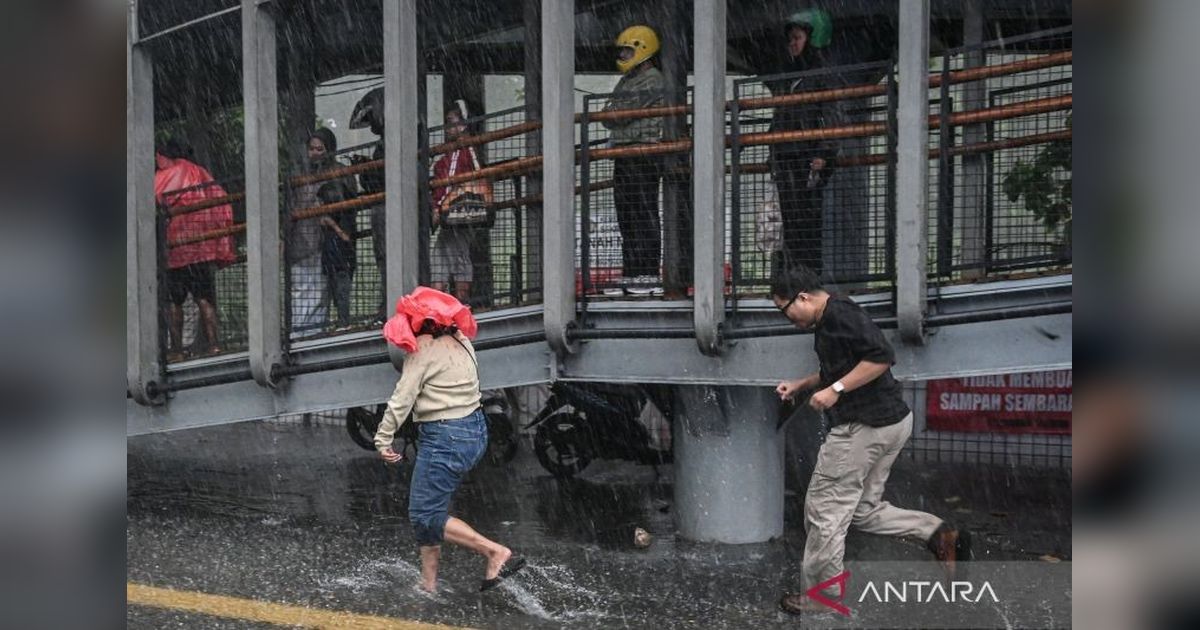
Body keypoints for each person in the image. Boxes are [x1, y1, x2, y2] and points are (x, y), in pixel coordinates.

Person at [770, 265, 968, 615]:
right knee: (862, 510)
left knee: (824, 510)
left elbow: (881, 357)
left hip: (862, 428)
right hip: (890, 422)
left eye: (784, 310)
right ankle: (938, 534)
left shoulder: (839, 316)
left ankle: (823, 596)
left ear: (802, 298)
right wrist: (803, 384)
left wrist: (836, 389)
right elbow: (843, 365)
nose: (786, 318)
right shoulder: (833, 316)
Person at [374, 286, 525, 593]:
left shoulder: (423, 349)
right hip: (474, 430)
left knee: (425, 514)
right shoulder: (461, 339)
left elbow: (401, 399)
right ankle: (428, 584)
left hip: (445, 436)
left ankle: (494, 552)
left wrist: (382, 439)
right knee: (430, 509)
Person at [764, 8, 845, 281]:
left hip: (806, 156)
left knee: (805, 218)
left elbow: (832, 114)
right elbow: (782, 116)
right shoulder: (794, 75)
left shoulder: (821, 75)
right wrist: (772, 149)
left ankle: (806, 275)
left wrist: (824, 152)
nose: (793, 44)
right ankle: (794, 274)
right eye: (791, 39)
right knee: (790, 218)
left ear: (813, 39)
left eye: (797, 38)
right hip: (788, 155)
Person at [155, 139, 237, 360]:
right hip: (201, 247)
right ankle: (214, 345)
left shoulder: (165, 175)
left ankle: (177, 350)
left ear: (162, 155)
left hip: (176, 248)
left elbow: (155, 201)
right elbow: (220, 199)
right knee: (204, 298)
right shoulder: (200, 172)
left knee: (175, 301)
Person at [602, 25, 666, 296]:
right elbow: (608, 114)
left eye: (627, 51)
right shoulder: (628, 80)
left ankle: (647, 273)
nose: (623, 56)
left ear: (642, 49)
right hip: (625, 154)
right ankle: (632, 273)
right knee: (627, 216)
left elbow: (618, 113)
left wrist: (615, 112)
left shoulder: (653, 79)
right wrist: (614, 112)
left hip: (643, 154)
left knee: (643, 212)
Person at [429, 101, 489, 303]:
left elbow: (453, 182)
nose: (448, 127)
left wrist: (440, 207)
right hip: (455, 213)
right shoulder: (455, 153)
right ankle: (445, 303)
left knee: (457, 256)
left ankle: (458, 302)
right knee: (444, 256)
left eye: (451, 122)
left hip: (459, 212)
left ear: (463, 125)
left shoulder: (464, 150)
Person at [305, 128, 359, 330]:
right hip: (321, 237)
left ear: (329, 149)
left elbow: (347, 203)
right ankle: (327, 324)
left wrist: (333, 221)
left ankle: (343, 321)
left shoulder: (338, 171)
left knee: (340, 278)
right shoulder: (311, 174)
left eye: (320, 149)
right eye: (312, 149)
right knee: (327, 281)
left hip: (340, 233)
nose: (315, 153)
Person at [349, 86, 388, 322]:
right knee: (385, 257)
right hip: (385, 206)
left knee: (386, 257)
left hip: (386, 208)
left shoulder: (390, 142)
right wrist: (365, 167)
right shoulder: (389, 141)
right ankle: (389, 302)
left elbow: (380, 178)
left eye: (372, 117)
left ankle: (391, 304)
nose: (371, 124)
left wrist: (365, 170)